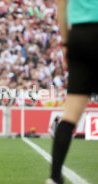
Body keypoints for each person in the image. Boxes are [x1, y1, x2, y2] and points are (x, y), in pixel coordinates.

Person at [47, 1, 98, 184]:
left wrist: (66, 43)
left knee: (70, 115)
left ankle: (54, 177)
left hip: (79, 35)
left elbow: (61, 7)